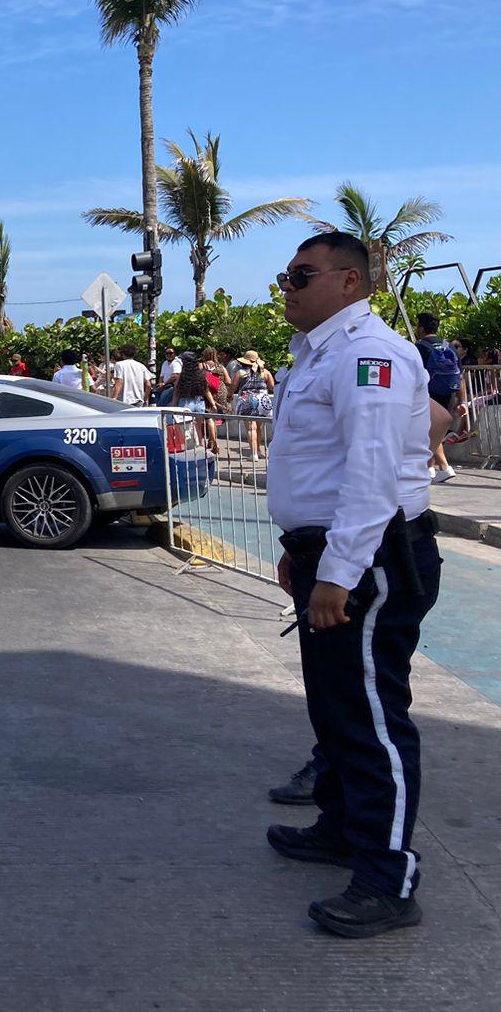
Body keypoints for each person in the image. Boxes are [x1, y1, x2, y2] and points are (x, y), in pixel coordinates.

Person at [264, 230, 441, 938]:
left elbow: (371, 476)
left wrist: (336, 572)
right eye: (286, 275)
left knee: (371, 719)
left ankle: (387, 879)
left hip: (371, 559)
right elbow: (320, 469)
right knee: (336, 710)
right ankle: (341, 827)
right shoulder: (320, 354)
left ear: (349, 282)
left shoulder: (368, 354)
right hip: (331, 554)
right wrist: (301, 554)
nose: (288, 287)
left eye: (300, 275)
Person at [413, 311, 461, 483]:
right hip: (449, 392)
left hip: (429, 392)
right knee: (433, 429)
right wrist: (460, 401)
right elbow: (459, 373)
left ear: (421, 328)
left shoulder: (420, 347)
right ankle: (430, 468)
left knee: (430, 430)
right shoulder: (448, 346)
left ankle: (445, 467)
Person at [234, 350, 276, 460]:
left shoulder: (241, 372)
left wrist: (229, 395)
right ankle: (258, 451)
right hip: (262, 401)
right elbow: (273, 386)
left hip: (246, 400)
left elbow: (233, 387)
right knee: (258, 427)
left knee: (250, 428)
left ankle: (253, 454)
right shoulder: (265, 372)